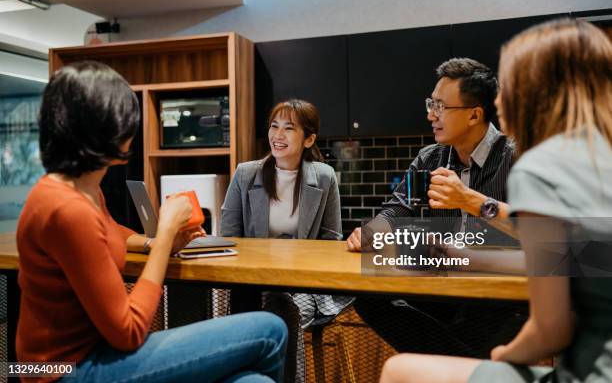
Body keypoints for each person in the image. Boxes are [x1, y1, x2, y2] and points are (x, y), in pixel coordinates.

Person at [16, 61, 287, 383]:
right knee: (271, 330)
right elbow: (128, 331)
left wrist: (157, 243)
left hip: (80, 355)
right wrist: (166, 230)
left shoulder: (77, 187)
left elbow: (105, 232)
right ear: (109, 127)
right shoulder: (68, 209)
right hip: (64, 371)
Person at [379, 18, 612, 383]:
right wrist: (462, 255)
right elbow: (574, 259)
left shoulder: (530, 162)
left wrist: (501, 357)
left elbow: (552, 325)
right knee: (376, 299)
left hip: (549, 342)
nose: (500, 99)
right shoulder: (429, 158)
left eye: (513, 83)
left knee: (398, 369)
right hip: (451, 291)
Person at [347, 58, 527, 357]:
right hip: (443, 287)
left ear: (474, 115)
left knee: (469, 331)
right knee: (369, 296)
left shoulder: (516, 155)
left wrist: (470, 200)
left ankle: (450, 364)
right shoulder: (430, 158)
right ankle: (458, 365)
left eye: (441, 107)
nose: (431, 115)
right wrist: (373, 229)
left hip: (499, 293)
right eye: (431, 103)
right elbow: (397, 207)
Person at [221, 99, 353, 383]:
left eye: (288, 128)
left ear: (309, 139)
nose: (277, 135)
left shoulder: (325, 176)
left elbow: (332, 241)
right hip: (253, 283)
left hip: (305, 286)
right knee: (272, 305)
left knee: (282, 308)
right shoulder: (246, 174)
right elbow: (229, 237)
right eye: (274, 126)